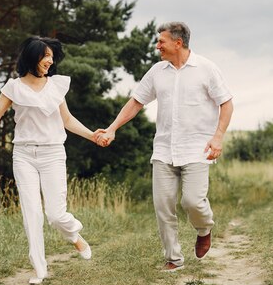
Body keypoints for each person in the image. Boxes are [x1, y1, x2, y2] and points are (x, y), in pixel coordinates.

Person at [96, 21, 233, 271]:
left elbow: (226, 103)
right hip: (163, 150)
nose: (157, 45)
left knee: (192, 201)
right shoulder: (157, 71)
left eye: (162, 41)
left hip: (197, 149)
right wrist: (112, 128)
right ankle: (173, 258)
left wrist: (218, 137)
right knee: (163, 205)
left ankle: (204, 228)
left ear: (177, 43)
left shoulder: (206, 68)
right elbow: (136, 103)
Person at [0, 36, 100, 285]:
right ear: (32, 57)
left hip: (53, 153)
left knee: (56, 214)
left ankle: (74, 235)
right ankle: (40, 269)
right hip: (24, 155)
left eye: (51, 56)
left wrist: (92, 136)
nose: (50, 60)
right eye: (45, 55)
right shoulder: (13, 87)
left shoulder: (55, 86)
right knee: (32, 213)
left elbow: (67, 121)